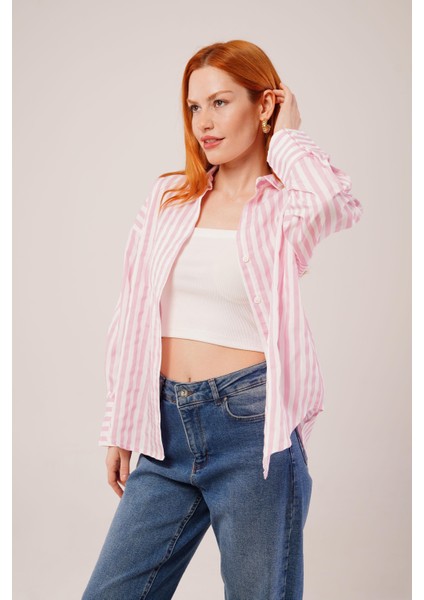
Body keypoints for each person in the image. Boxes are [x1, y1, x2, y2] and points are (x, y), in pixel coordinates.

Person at [82, 39, 363, 600]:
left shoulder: (283, 206)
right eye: (194, 107)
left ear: (264, 105)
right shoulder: (168, 197)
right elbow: (131, 311)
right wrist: (121, 421)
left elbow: (334, 202)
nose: (203, 123)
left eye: (220, 102)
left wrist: (288, 136)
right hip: (163, 428)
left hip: (251, 431)